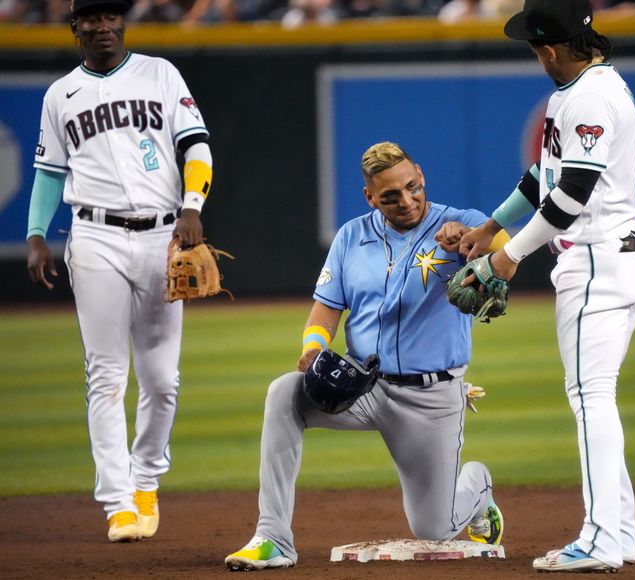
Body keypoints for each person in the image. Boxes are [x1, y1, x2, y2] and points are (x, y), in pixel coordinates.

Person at [223, 141, 509, 571]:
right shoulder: (351, 236)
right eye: (390, 195)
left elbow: (511, 253)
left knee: (433, 526)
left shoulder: (463, 222)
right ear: (370, 197)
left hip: (430, 399)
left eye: (412, 187)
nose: (407, 201)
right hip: (360, 387)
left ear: (421, 173)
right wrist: (313, 348)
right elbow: (326, 307)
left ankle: (478, 486)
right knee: (284, 393)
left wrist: (476, 243)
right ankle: (272, 537)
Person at [452, 0, 635, 572]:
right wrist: (492, 227)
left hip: (597, 260)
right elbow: (542, 176)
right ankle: (618, 532)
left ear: (549, 47)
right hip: (616, 256)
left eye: (533, 45)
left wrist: (508, 256)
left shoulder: (591, 95)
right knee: (594, 395)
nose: (534, 54)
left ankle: (600, 540)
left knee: (590, 398)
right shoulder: (582, 88)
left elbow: (570, 197)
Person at [26, 0, 214, 542]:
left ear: (122, 23)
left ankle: (146, 478)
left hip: (163, 235)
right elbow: (47, 172)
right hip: (94, 236)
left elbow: (196, 145)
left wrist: (193, 204)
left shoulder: (160, 72)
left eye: (111, 15)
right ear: (75, 27)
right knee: (105, 375)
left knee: (161, 379)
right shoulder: (60, 93)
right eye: (92, 17)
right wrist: (37, 234)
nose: (103, 25)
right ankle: (117, 503)